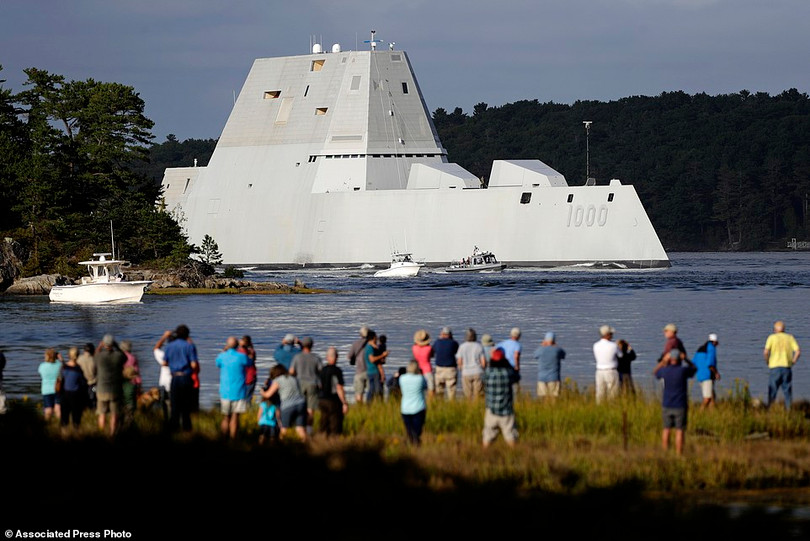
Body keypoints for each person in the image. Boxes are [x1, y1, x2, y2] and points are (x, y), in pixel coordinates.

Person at [654, 349, 697, 456]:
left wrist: (663, 361)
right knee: (679, 430)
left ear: (670, 359)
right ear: (679, 359)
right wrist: (686, 359)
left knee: (666, 429)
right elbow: (694, 368)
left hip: (667, 403)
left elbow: (655, 372)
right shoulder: (683, 371)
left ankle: (665, 453)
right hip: (680, 405)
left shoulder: (665, 371)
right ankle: (679, 454)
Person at [161, 324, 198, 432]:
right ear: (187, 335)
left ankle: (173, 427)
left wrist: (174, 364)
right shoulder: (189, 346)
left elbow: (164, 363)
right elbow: (194, 365)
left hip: (175, 377)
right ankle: (187, 428)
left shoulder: (170, 346)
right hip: (186, 377)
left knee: (175, 404)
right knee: (186, 404)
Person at [483, 348, 520, 448]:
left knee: (488, 435)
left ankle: (484, 456)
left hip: (491, 409)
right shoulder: (508, 373)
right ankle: (515, 456)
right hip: (506, 410)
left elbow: (483, 379)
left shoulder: (488, 373)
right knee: (510, 435)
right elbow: (517, 377)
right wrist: (508, 364)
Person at [215, 336, 250, 439]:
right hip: (239, 391)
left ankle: (223, 439)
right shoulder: (241, 357)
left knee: (226, 417)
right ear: (237, 345)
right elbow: (250, 362)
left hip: (225, 391)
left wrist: (224, 350)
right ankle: (233, 439)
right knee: (235, 417)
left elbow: (217, 363)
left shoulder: (222, 356)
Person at [262, 364, 307, 442]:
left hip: (288, 405)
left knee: (284, 429)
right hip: (301, 403)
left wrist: (262, 391)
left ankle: (281, 448)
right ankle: (307, 447)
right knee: (300, 429)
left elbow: (268, 394)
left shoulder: (278, 380)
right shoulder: (293, 378)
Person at [290, 336, 323, 435]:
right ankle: (309, 430)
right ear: (312, 346)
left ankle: (300, 429)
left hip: (300, 384)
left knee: (300, 407)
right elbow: (321, 371)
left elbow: (291, 371)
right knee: (310, 409)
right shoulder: (316, 358)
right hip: (312, 384)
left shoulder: (297, 357)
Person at [763, 320, 800, 410]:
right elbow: (798, 351)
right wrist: (793, 361)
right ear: (784, 329)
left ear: (775, 330)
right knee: (787, 391)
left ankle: (770, 410)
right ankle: (789, 411)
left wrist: (767, 361)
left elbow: (766, 352)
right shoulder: (789, 338)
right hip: (786, 367)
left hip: (774, 367)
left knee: (772, 390)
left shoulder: (771, 338)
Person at [94, 334, 126, 436]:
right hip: (115, 390)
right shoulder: (118, 356)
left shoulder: (100, 356)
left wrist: (99, 346)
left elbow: (94, 356)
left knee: (102, 414)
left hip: (102, 389)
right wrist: (117, 346)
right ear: (113, 344)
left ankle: (101, 433)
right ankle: (112, 434)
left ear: (104, 344)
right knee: (114, 414)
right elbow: (125, 357)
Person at [318, 346, 348, 437]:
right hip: (333, 400)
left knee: (324, 421)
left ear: (327, 357)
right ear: (337, 357)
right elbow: (339, 387)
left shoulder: (322, 370)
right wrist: (344, 402)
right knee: (335, 424)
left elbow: (319, 385)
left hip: (322, 399)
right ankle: (333, 442)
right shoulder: (337, 371)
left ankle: (321, 440)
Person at [399, 360, 428, 445]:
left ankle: (410, 444)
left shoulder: (402, 378)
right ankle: (416, 445)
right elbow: (426, 387)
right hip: (418, 407)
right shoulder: (420, 378)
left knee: (409, 430)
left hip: (405, 408)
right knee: (417, 431)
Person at [59, 347, 87, 432]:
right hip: (76, 395)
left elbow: (61, 379)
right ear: (78, 356)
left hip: (65, 395)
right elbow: (83, 383)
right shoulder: (79, 370)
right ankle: (76, 435)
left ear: (68, 355)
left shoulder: (64, 368)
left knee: (64, 419)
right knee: (76, 418)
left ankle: (64, 436)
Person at [593, 325, 620, 403]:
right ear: (607, 334)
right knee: (613, 393)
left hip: (599, 371)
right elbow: (620, 355)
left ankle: (599, 408)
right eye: (611, 334)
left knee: (600, 393)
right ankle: (612, 408)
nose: (612, 336)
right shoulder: (613, 345)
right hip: (611, 371)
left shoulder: (595, 345)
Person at [534, 331, 566, 399]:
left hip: (542, 378)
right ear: (554, 340)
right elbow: (563, 355)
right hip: (554, 377)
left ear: (545, 340)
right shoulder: (557, 350)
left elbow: (535, 355)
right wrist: (555, 345)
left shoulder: (540, 350)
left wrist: (542, 345)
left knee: (542, 398)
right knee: (554, 398)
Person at [693, 333, 721, 408]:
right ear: (714, 342)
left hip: (700, 376)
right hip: (707, 376)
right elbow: (710, 364)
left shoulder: (700, 349)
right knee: (707, 398)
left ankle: (712, 415)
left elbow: (693, 363)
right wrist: (716, 373)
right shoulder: (711, 348)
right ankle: (700, 414)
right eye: (717, 343)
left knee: (712, 396)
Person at [457, 328, 486, 399]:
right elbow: (483, 362)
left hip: (466, 372)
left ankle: (469, 408)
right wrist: (483, 370)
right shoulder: (479, 346)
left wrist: (461, 369)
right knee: (478, 395)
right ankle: (477, 408)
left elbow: (459, 361)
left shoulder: (462, 347)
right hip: (477, 371)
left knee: (468, 395)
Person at [153, 330, 174, 423]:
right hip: (176, 383)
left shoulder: (164, 356)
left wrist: (164, 336)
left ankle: (166, 421)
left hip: (164, 384)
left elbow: (156, 348)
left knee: (165, 404)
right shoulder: (181, 357)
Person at [432, 327, 459, 399]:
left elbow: (433, 352)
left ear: (442, 334)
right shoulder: (454, 343)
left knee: (439, 391)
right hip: (451, 369)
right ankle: (452, 407)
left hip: (439, 369)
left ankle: (439, 407)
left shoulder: (437, 342)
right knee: (451, 391)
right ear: (450, 335)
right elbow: (456, 351)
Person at [120, 340, 142, 423]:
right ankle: (129, 422)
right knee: (131, 405)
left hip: (120, 384)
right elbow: (137, 374)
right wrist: (139, 386)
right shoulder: (133, 358)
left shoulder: (118, 357)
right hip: (132, 384)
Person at [496, 327, 523, 395]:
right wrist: (517, 366)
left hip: (503, 367)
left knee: (504, 386)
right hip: (512, 368)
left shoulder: (504, 343)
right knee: (515, 387)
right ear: (519, 336)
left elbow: (494, 350)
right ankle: (517, 399)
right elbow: (516, 356)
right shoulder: (517, 345)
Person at [38, 348, 62, 421]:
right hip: (57, 389)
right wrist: (60, 359)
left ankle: (47, 425)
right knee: (58, 408)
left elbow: (40, 373)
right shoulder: (59, 364)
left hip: (46, 390)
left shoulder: (42, 366)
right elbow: (64, 369)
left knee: (48, 409)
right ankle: (61, 425)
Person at [347, 326, 370, 403]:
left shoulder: (356, 344)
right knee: (370, 392)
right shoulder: (371, 344)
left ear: (360, 334)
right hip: (370, 371)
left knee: (359, 393)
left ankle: (359, 407)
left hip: (359, 371)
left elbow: (349, 356)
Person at [364, 330, 388, 401]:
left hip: (370, 371)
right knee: (377, 390)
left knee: (372, 389)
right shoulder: (370, 348)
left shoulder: (368, 347)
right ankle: (375, 404)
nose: (377, 339)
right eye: (376, 337)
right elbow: (372, 359)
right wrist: (383, 355)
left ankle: (370, 404)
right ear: (373, 338)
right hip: (374, 371)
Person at [411, 329, 434, 398]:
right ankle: (431, 402)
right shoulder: (429, 348)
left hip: (417, 369)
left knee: (418, 388)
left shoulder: (414, 348)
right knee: (431, 388)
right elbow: (432, 355)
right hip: (427, 369)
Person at [76, 343, 97, 411]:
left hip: (82, 385)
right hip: (93, 385)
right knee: (93, 400)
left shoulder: (79, 359)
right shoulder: (94, 360)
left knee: (83, 401)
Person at [239, 335, 257, 403]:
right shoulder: (252, 352)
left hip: (244, 377)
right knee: (248, 398)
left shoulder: (240, 352)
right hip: (251, 377)